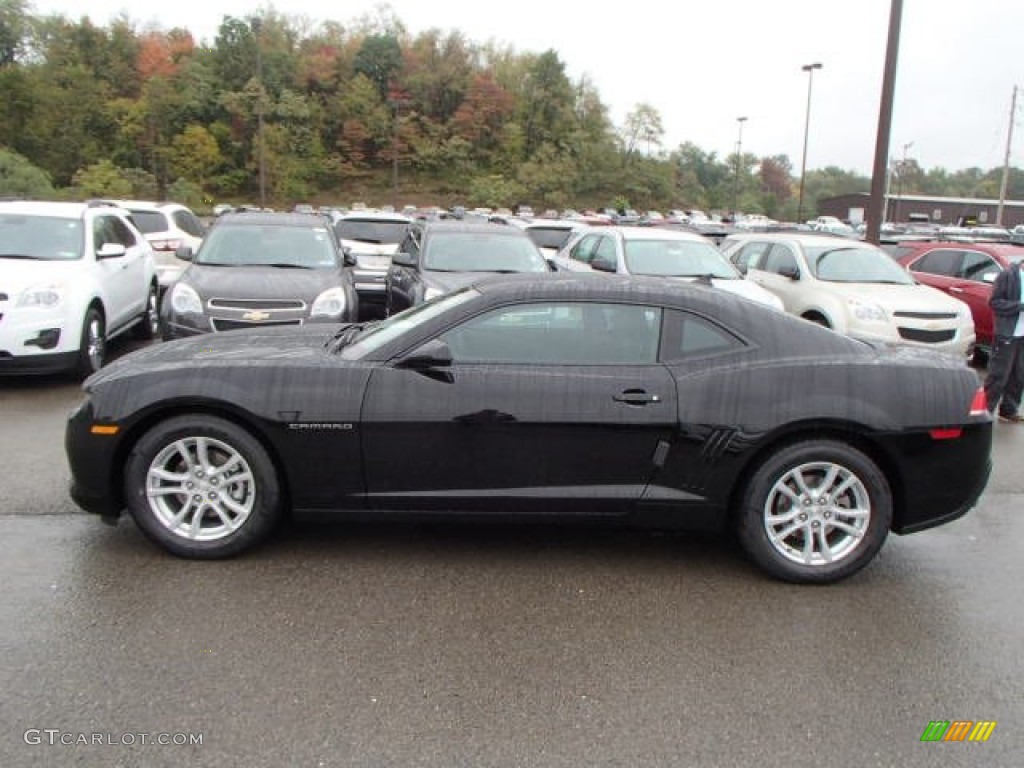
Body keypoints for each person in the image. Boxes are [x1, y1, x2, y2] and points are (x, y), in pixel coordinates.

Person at [984, 259, 1024, 422]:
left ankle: (1008, 410)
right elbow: (994, 302)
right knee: (999, 375)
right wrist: (1020, 306)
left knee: (1019, 375)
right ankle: (984, 412)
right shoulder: (1008, 275)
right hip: (1008, 334)